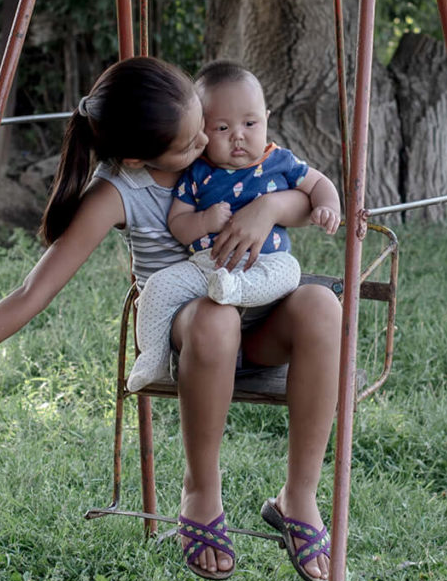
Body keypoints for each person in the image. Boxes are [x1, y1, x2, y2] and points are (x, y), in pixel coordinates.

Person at [0, 57, 344, 581]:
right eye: (192, 140)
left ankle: (300, 493)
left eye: (207, 125)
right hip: (195, 331)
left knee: (322, 305)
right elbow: (32, 291)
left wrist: (268, 208)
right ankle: (202, 489)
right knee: (214, 318)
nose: (208, 142)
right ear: (139, 155)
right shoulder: (119, 191)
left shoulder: (221, 137)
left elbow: (301, 190)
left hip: (266, 319)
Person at [122, 60, 341, 392]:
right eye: (222, 128)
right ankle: (152, 356)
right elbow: (178, 224)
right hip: (208, 267)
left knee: (289, 271)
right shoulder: (198, 172)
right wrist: (204, 221)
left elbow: (318, 183)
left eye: (250, 123)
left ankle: (235, 290)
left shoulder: (278, 160)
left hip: (265, 263)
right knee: (159, 288)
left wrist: (328, 205)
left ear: (267, 118)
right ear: (201, 132)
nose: (238, 136)